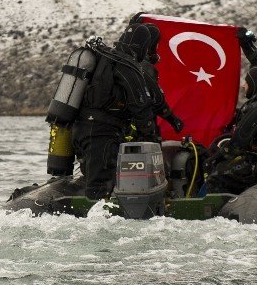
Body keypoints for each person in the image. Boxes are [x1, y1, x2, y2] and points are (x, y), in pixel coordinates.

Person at [72, 24, 158, 199]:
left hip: (81, 131)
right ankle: (97, 219)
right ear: (141, 46)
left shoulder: (104, 58)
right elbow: (140, 104)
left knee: (94, 179)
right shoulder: (126, 64)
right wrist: (150, 136)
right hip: (101, 135)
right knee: (99, 189)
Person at [201, 65, 257, 195]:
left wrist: (216, 157)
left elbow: (239, 141)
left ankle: (211, 214)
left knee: (216, 178)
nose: (243, 86)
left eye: (246, 82)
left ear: (254, 84)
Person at [140, 23, 184, 137]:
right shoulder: (146, 67)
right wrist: (173, 120)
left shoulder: (119, 59)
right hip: (142, 127)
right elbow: (156, 99)